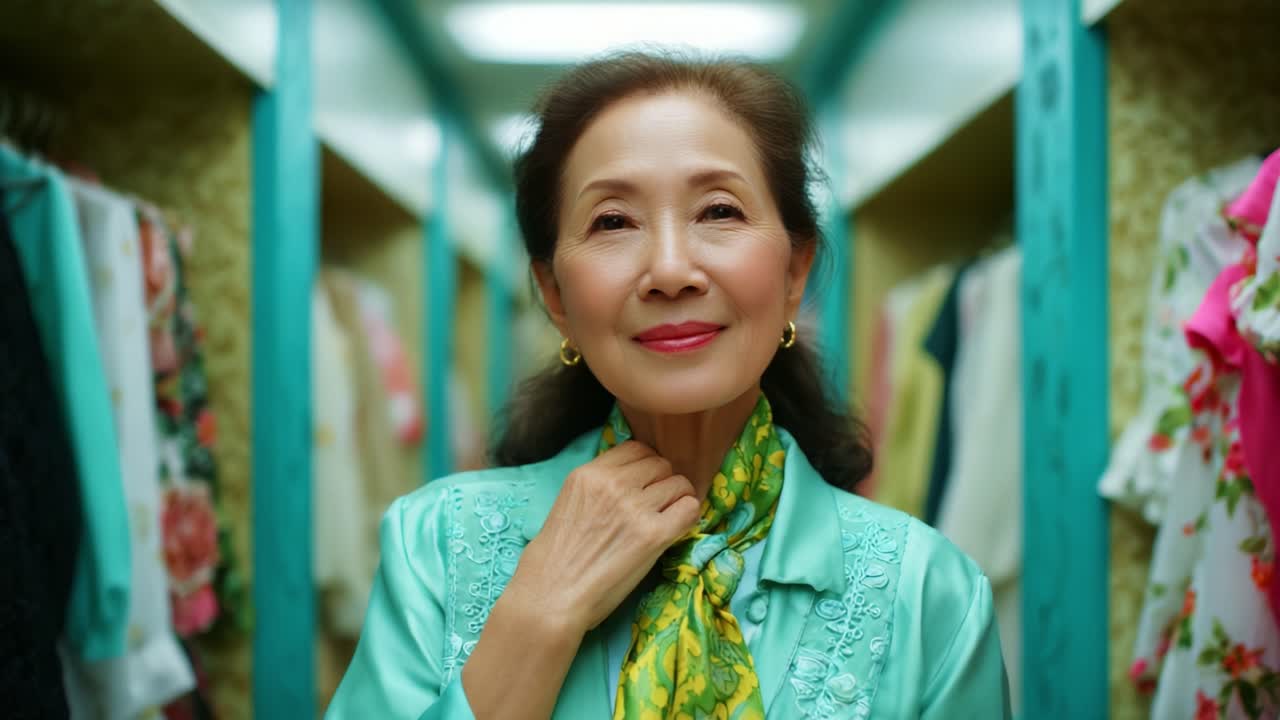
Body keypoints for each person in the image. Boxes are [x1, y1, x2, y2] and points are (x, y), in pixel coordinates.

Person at [326, 52, 1011, 719]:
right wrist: (538, 614)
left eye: (718, 212)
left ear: (795, 272)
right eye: (613, 222)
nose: (671, 268)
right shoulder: (437, 545)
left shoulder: (927, 591)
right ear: (555, 295)